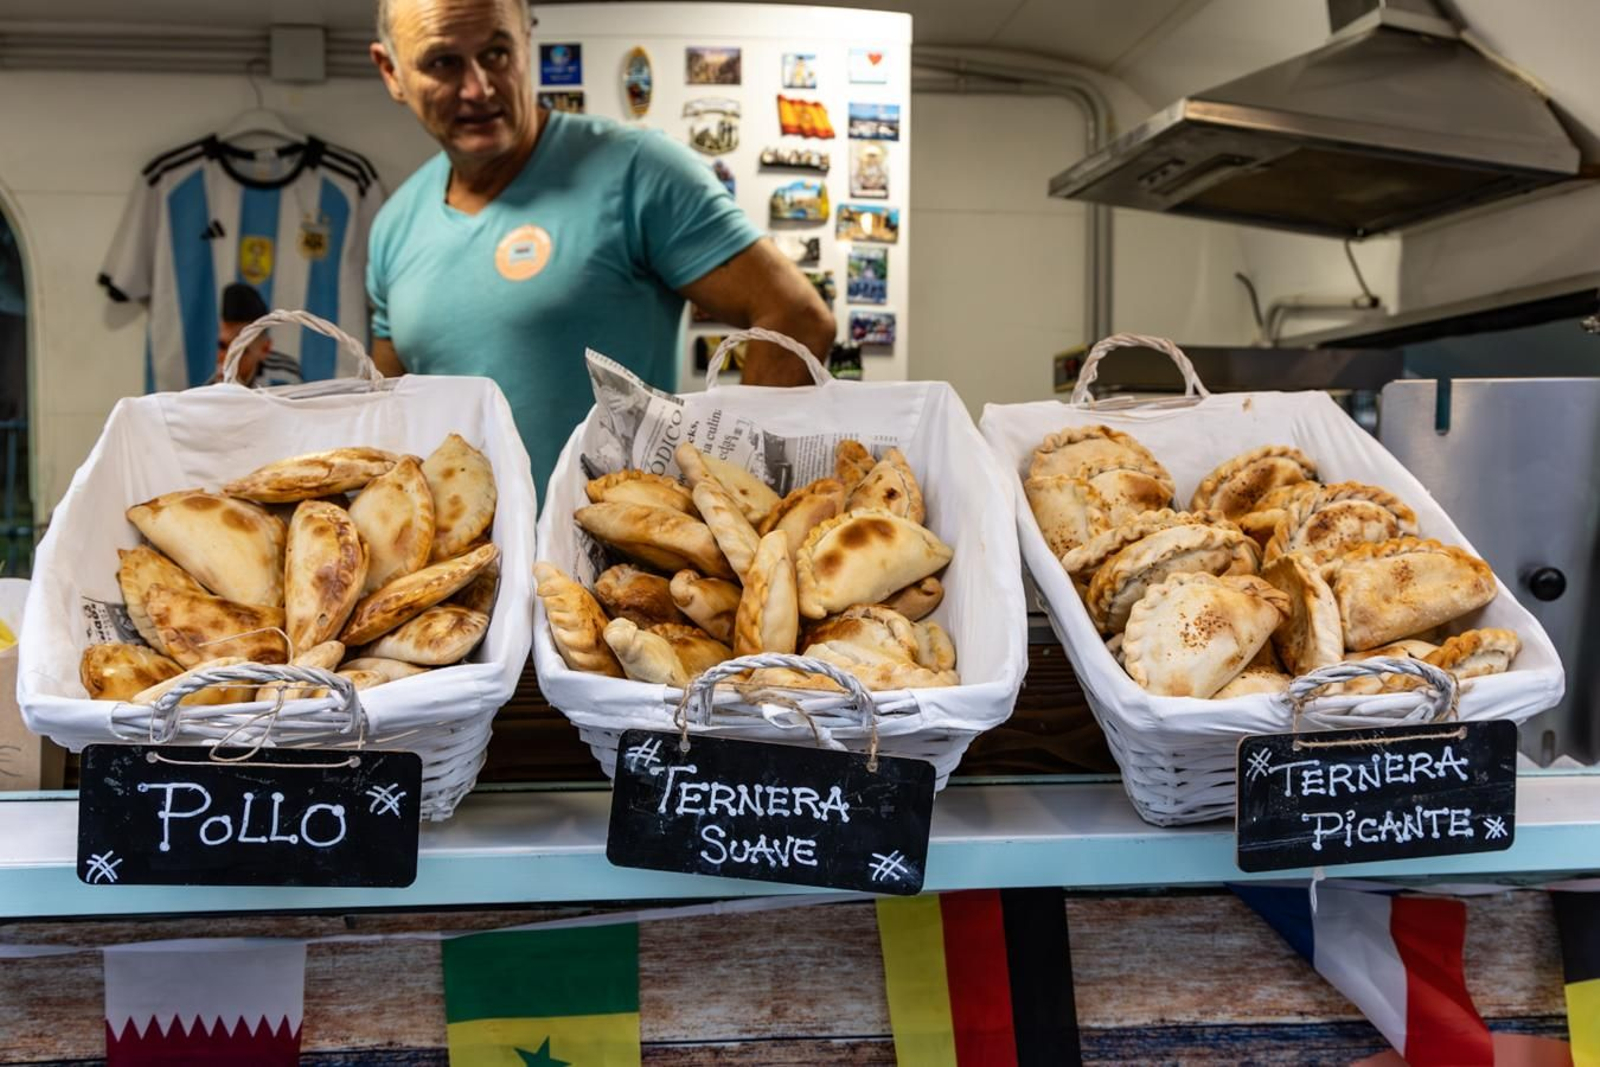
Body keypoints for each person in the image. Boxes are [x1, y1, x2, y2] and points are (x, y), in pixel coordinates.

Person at [367, 0, 835, 495]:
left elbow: (796, 317)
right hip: (463, 565)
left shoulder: (638, 169)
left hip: (608, 564)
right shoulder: (394, 225)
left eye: (498, 53)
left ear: (526, 43)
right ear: (391, 73)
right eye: (443, 62)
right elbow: (394, 408)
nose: (478, 87)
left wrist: (722, 495)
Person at [210, 283, 303, 388]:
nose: (227, 358)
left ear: (265, 349)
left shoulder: (285, 376)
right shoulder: (212, 387)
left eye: (240, 350)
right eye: (222, 346)